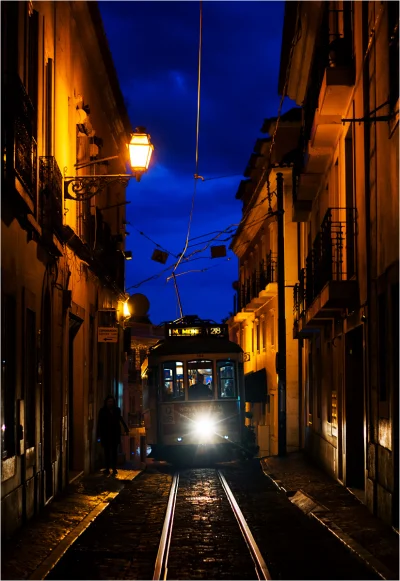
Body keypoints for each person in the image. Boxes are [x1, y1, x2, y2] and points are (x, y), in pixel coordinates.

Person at [97, 394, 129, 476]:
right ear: (106, 402)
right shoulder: (102, 411)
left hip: (115, 434)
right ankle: (107, 468)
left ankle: (114, 468)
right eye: (108, 401)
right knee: (107, 452)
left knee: (114, 452)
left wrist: (126, 428)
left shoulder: (117, 410)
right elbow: (100, 423)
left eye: (111, 401)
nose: (110, 403)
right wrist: (99, 434)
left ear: (113, 402)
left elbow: (120, 418)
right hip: (106, 434)